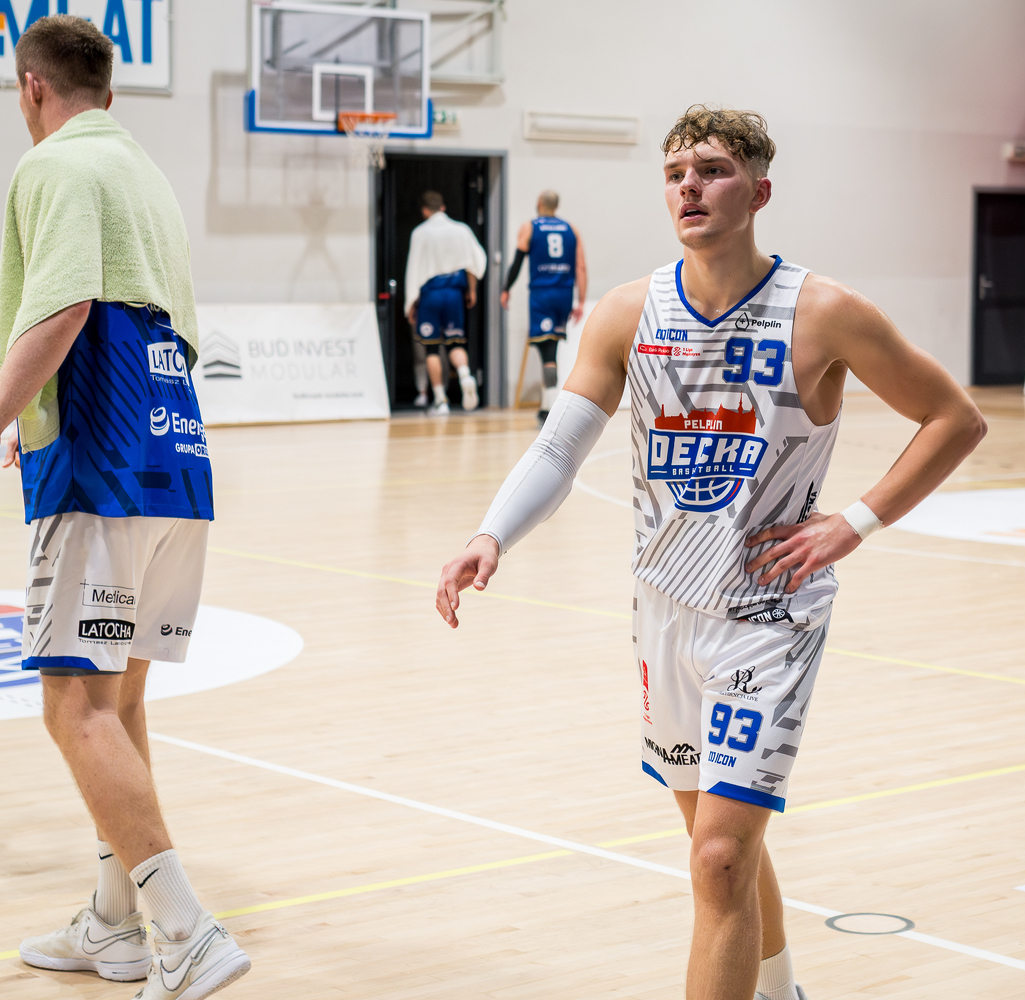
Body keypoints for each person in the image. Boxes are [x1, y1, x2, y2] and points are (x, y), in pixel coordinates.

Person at [433, 105, 987, 1000]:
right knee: (718, 846)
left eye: (713, 170)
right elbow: (560, 446)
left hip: (768, 615)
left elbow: (955, 418)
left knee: (720, 857)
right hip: (665, 612)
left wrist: (854, 522)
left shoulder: (823, 311)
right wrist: (489, 533)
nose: (689, 186)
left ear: (759, 191)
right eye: (675, 173)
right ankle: (782, 990)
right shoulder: (627, 312)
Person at [0, 16, 250, 996]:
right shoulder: (146, 177)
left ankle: (185, 929)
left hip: (99, 460)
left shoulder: (52, 166)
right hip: (177, 455)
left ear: (32, 87)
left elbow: (66, 308)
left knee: (73, 706)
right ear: (108, 93)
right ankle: (116, 923)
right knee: (119, 701)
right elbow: (135, 321)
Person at [501, 190, 589, 423]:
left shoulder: (530, 227)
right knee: (551, 347)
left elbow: (517, 262)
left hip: (542, 294)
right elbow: (580, 266)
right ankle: (544, 405)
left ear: (539, 203)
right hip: (564, 295)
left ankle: (551, 408)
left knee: (547, 351)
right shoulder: (571, 229)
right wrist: (581, 300)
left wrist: (506, 288)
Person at [404, 190, 487, 414]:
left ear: (424, 211)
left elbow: (413, 270)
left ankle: (440, 400)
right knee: (455, 343)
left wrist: (411, 303)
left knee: (431, 349)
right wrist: (472, 290)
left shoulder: (420, 233)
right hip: (454, 293)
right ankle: (465, 375)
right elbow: (475, 262)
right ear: (443, 207)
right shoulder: (462, 230)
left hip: (431, 294)